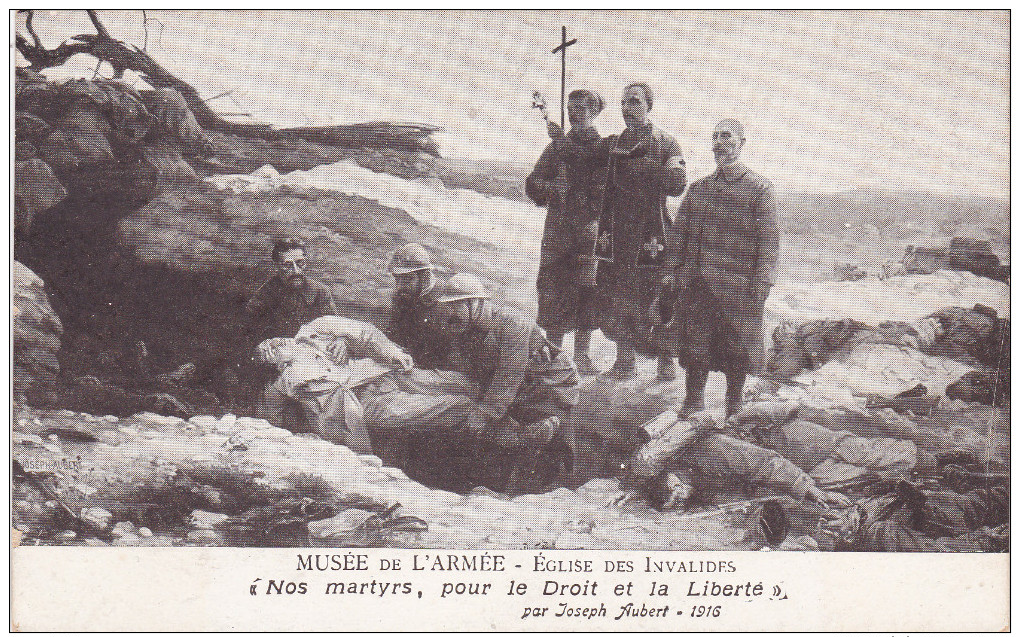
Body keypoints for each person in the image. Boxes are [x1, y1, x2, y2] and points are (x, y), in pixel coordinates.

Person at [657, 118, 779, 416]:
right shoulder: (698, 188)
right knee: (695, 345)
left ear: (741, 143)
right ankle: (693, 400)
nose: (719, 142)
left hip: (740, 287)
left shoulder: (760, 189)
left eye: (726, 136)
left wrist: (762, 285)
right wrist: (670, 272)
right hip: (698, 284)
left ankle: (734, 403)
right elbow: (679, 236)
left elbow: (770, 243)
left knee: (736, 348)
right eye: (715, 137)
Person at [425, 273, 582, 491]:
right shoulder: (463, 328)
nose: (450, 314)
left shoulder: (511, 324)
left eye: (457, 306)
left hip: (550, 385)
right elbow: (473, 371)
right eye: (448, 307)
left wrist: (484, 413)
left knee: (539, 435)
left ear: (476, 303)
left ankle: (551, 472)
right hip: (515, 389)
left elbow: (508, 375)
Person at [595, 82, 687, 380]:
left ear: (649, 105)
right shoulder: (613, 144)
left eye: (634, 101)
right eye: (623, 103)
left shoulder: (667, 142)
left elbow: (677, 185)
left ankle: (665, 362)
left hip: (652, 233)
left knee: (658, 295)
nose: (626, 108)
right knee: (616, 295)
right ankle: (625, 362)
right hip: (617, 233)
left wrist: (657, 171)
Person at [526, 89, 608, 375]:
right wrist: (551, 189)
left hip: (589, 230)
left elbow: (592, 173)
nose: (573, 114)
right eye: (570, 108)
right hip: (558, 230)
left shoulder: (603, 148)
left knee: (586, 291)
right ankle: (554, 354)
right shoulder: (556, 148)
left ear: (595, 113)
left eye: (581, 109)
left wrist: (561, 143)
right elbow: (533, 181)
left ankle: (582, 356)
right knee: (553, 288)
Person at [255, 315, 413, 454]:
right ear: (278, 366)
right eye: (271, 351)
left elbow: (364, 330)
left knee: (435, 383)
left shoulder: (315, 328)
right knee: (428, 409)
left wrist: (393, 353)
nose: (274, 343)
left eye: (270, 341)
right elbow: (268, 421)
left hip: (387, 370)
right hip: (370, 398)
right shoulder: (291, 380)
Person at [244, 238, 339, 344]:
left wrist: (339, 342)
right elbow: (249, 336)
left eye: (300, 263)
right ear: (277, 266)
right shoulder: (264, 295)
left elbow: (335, 330)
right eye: (287, 265)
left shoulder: (321, 292)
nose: (296, 271)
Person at [383, 243, 450, 369]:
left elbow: (444, 362)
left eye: (408, 279)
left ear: (424, 278)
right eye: (397, 279)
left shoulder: (444, 307)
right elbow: (393, 335)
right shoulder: (402, 296)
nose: (399, 287)